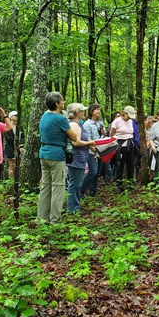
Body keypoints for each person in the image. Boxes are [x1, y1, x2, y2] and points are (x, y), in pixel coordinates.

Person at [37, 92, 78, 223]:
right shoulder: (60, 119)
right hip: (56, 155)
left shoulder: (44, 116)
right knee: (58, 187)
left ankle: (41, 218)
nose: (64, 103)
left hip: (44, 153)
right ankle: (55, 219)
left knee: (45, 186)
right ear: (56, 103)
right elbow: (74, 137)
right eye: (62, 101)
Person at [66, 103, 96, 214]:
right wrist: (90, 142)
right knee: (75, 184)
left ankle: (75, 206)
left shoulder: (79, 124)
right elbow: (76, 142)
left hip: (80, 157)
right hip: (76, 157)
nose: (84, 113)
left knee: (77, 183)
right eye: (82, 111)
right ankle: (72, 209)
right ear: (77, 113)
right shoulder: (74, 125)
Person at [110, 106, 137, 192]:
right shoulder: (117, 121)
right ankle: (119, 185)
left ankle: (130, 183)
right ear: (124, 113)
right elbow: (111, 134)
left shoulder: (131, 122)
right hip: (121, 146)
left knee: (130, 165)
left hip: (130, 145)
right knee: (120, 166)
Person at [82, 104, 105, 196]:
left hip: (100, 150)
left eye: (99, 110)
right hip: (92, 152)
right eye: (96, 110)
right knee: (92, 172)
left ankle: (93, 192)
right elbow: (87, 139)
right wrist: (95, 151)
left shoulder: (99, 123)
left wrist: (103, 133)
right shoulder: (87, 124)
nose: (98, 111)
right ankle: (81, 191)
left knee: (97, 173)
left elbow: (102, 137)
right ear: (92, 111)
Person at [4, 111, 24, 179]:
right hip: (10, 149)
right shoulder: (7, 127)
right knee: (12, 165)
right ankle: (11, 181)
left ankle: (19, 181)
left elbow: (22, 138)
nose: (16, 117)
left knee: (19, 165)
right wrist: (16, 144)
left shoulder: (20, 127)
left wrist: (21, 146)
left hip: (19, 150)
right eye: (14, 115)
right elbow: (8, 139)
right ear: (10, 117)